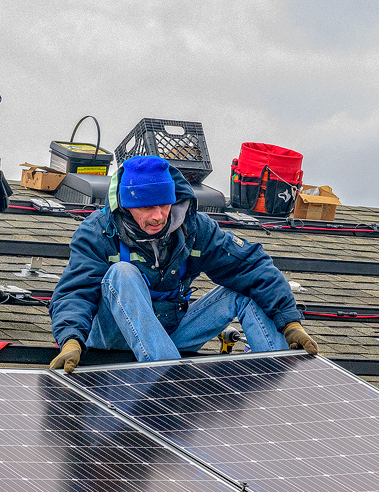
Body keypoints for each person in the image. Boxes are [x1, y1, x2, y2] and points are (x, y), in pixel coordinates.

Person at [46, 155, 317, 372]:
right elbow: (75, 291)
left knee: (245, 289)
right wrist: (70, 339)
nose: (158, 216)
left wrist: (289, 322)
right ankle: (169, 380)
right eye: (146, 208)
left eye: (164, 205)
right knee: (122, 272)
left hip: (170, 332)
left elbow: (251, 266)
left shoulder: (193, 228)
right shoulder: (98, 232)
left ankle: (277, 378)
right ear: (126, 206)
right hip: (111, 339)